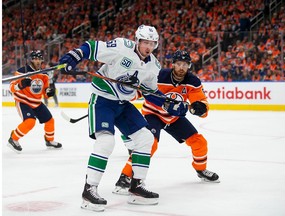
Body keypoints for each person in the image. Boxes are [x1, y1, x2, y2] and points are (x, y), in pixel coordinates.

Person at [58, 24, 188, 212]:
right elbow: (93, 47)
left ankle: (136, 185)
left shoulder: (153, 65)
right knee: (106, 142)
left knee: (145, 138)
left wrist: (167, 104)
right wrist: (73, 57)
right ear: (137, 40)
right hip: (102, 100)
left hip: (123, 105)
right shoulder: (121, 47)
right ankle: (89, 190)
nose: (148, 47)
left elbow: (149, 92)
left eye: (152, 43)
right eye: (144, 42)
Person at [113, 50, 220, 195]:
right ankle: (125, 177)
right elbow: (140, 91)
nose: (182, 67)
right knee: (150, 143)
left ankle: (201, 170)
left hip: (174, 117)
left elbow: (200, 101)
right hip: (153, 114)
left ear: (189, 66)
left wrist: (199, 107)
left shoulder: (192, 81)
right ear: (173, 64)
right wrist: (127, 89)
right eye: (179, 64)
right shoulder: (159, 75)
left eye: (185, 65)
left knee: (199, 141)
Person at [8, 50, 62, 153]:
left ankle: (49, 141)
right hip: (22, 100)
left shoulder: (44, 74)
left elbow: (45, 91)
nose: (37, 61)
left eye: (39, 58)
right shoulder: (22, 71)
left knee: (50, 121)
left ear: (42, 60)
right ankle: (13, 139)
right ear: (31, 60)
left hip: (36, 102)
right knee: (30, 122)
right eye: (35, 58)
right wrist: (20, 85)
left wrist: (49, 92)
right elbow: (11, 87)